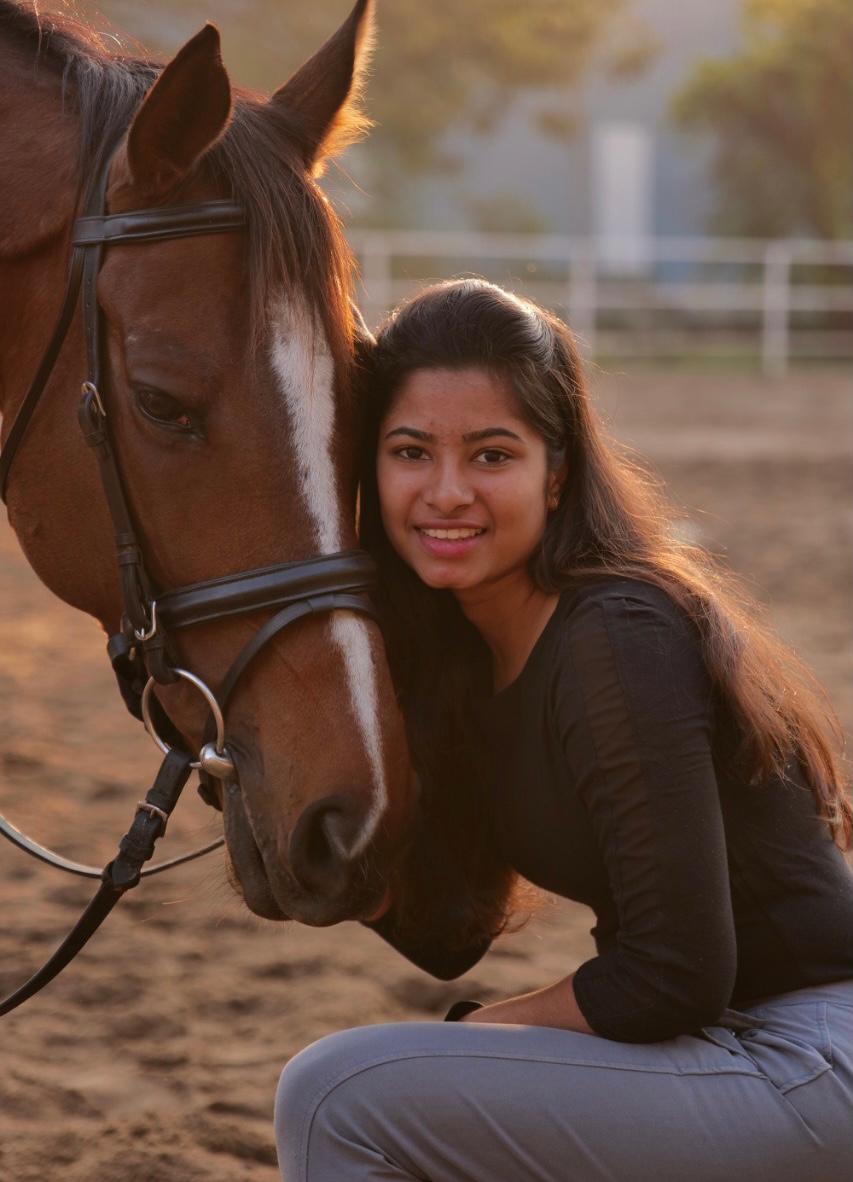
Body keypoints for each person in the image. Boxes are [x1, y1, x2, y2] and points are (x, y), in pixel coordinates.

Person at [274, 278, 853, 1181]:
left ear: (558, 475)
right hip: (721, 1046)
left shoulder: (615, 637)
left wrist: (486, 1028)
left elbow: (673, 973)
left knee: (337, 1096)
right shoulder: (466, 658)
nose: (446, 491)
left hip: (809, 1056)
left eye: (492, 455)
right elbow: (449, 930)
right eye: (410, 451)